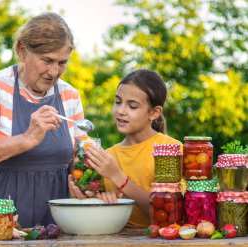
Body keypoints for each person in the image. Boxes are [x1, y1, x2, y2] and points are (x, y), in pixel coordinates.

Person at [0, 12, 86, 228]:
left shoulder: (69, 94)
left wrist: (86, 179)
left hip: (55, 227)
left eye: (62, 63)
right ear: (22, 51)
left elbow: (78, 159)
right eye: (47, 60)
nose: (54, 72)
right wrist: (26, 139)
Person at [69, 69, 182, 228]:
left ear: (154, 112)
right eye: (118, 101)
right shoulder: (107, 156)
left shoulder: (170, 150)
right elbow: (95, 215)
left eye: (132, 106)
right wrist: (89, 197)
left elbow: (169, 213)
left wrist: (118, 177)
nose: (121, 111)